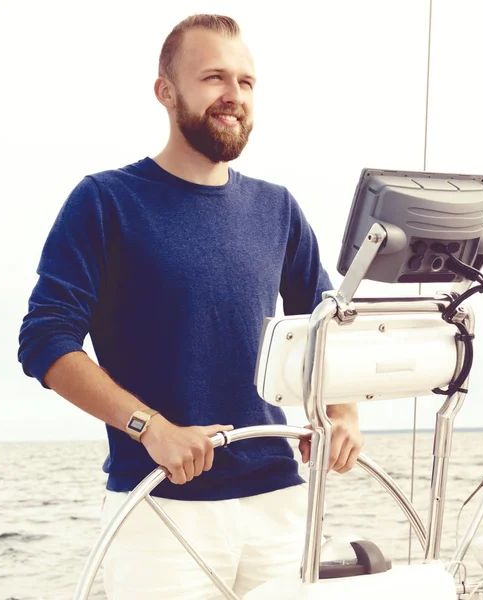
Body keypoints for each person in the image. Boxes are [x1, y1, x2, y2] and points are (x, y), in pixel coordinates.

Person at [18, 14, 363, 600]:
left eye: (246, 83)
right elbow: (45, 340)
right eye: (213, 78)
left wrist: (342, 413)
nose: (233, 97)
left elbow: (328, 322)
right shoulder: (105, 201)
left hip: (280, 500)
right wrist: (149, 428)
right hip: (160, 507)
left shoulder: (276, 208)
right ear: (166, 91)